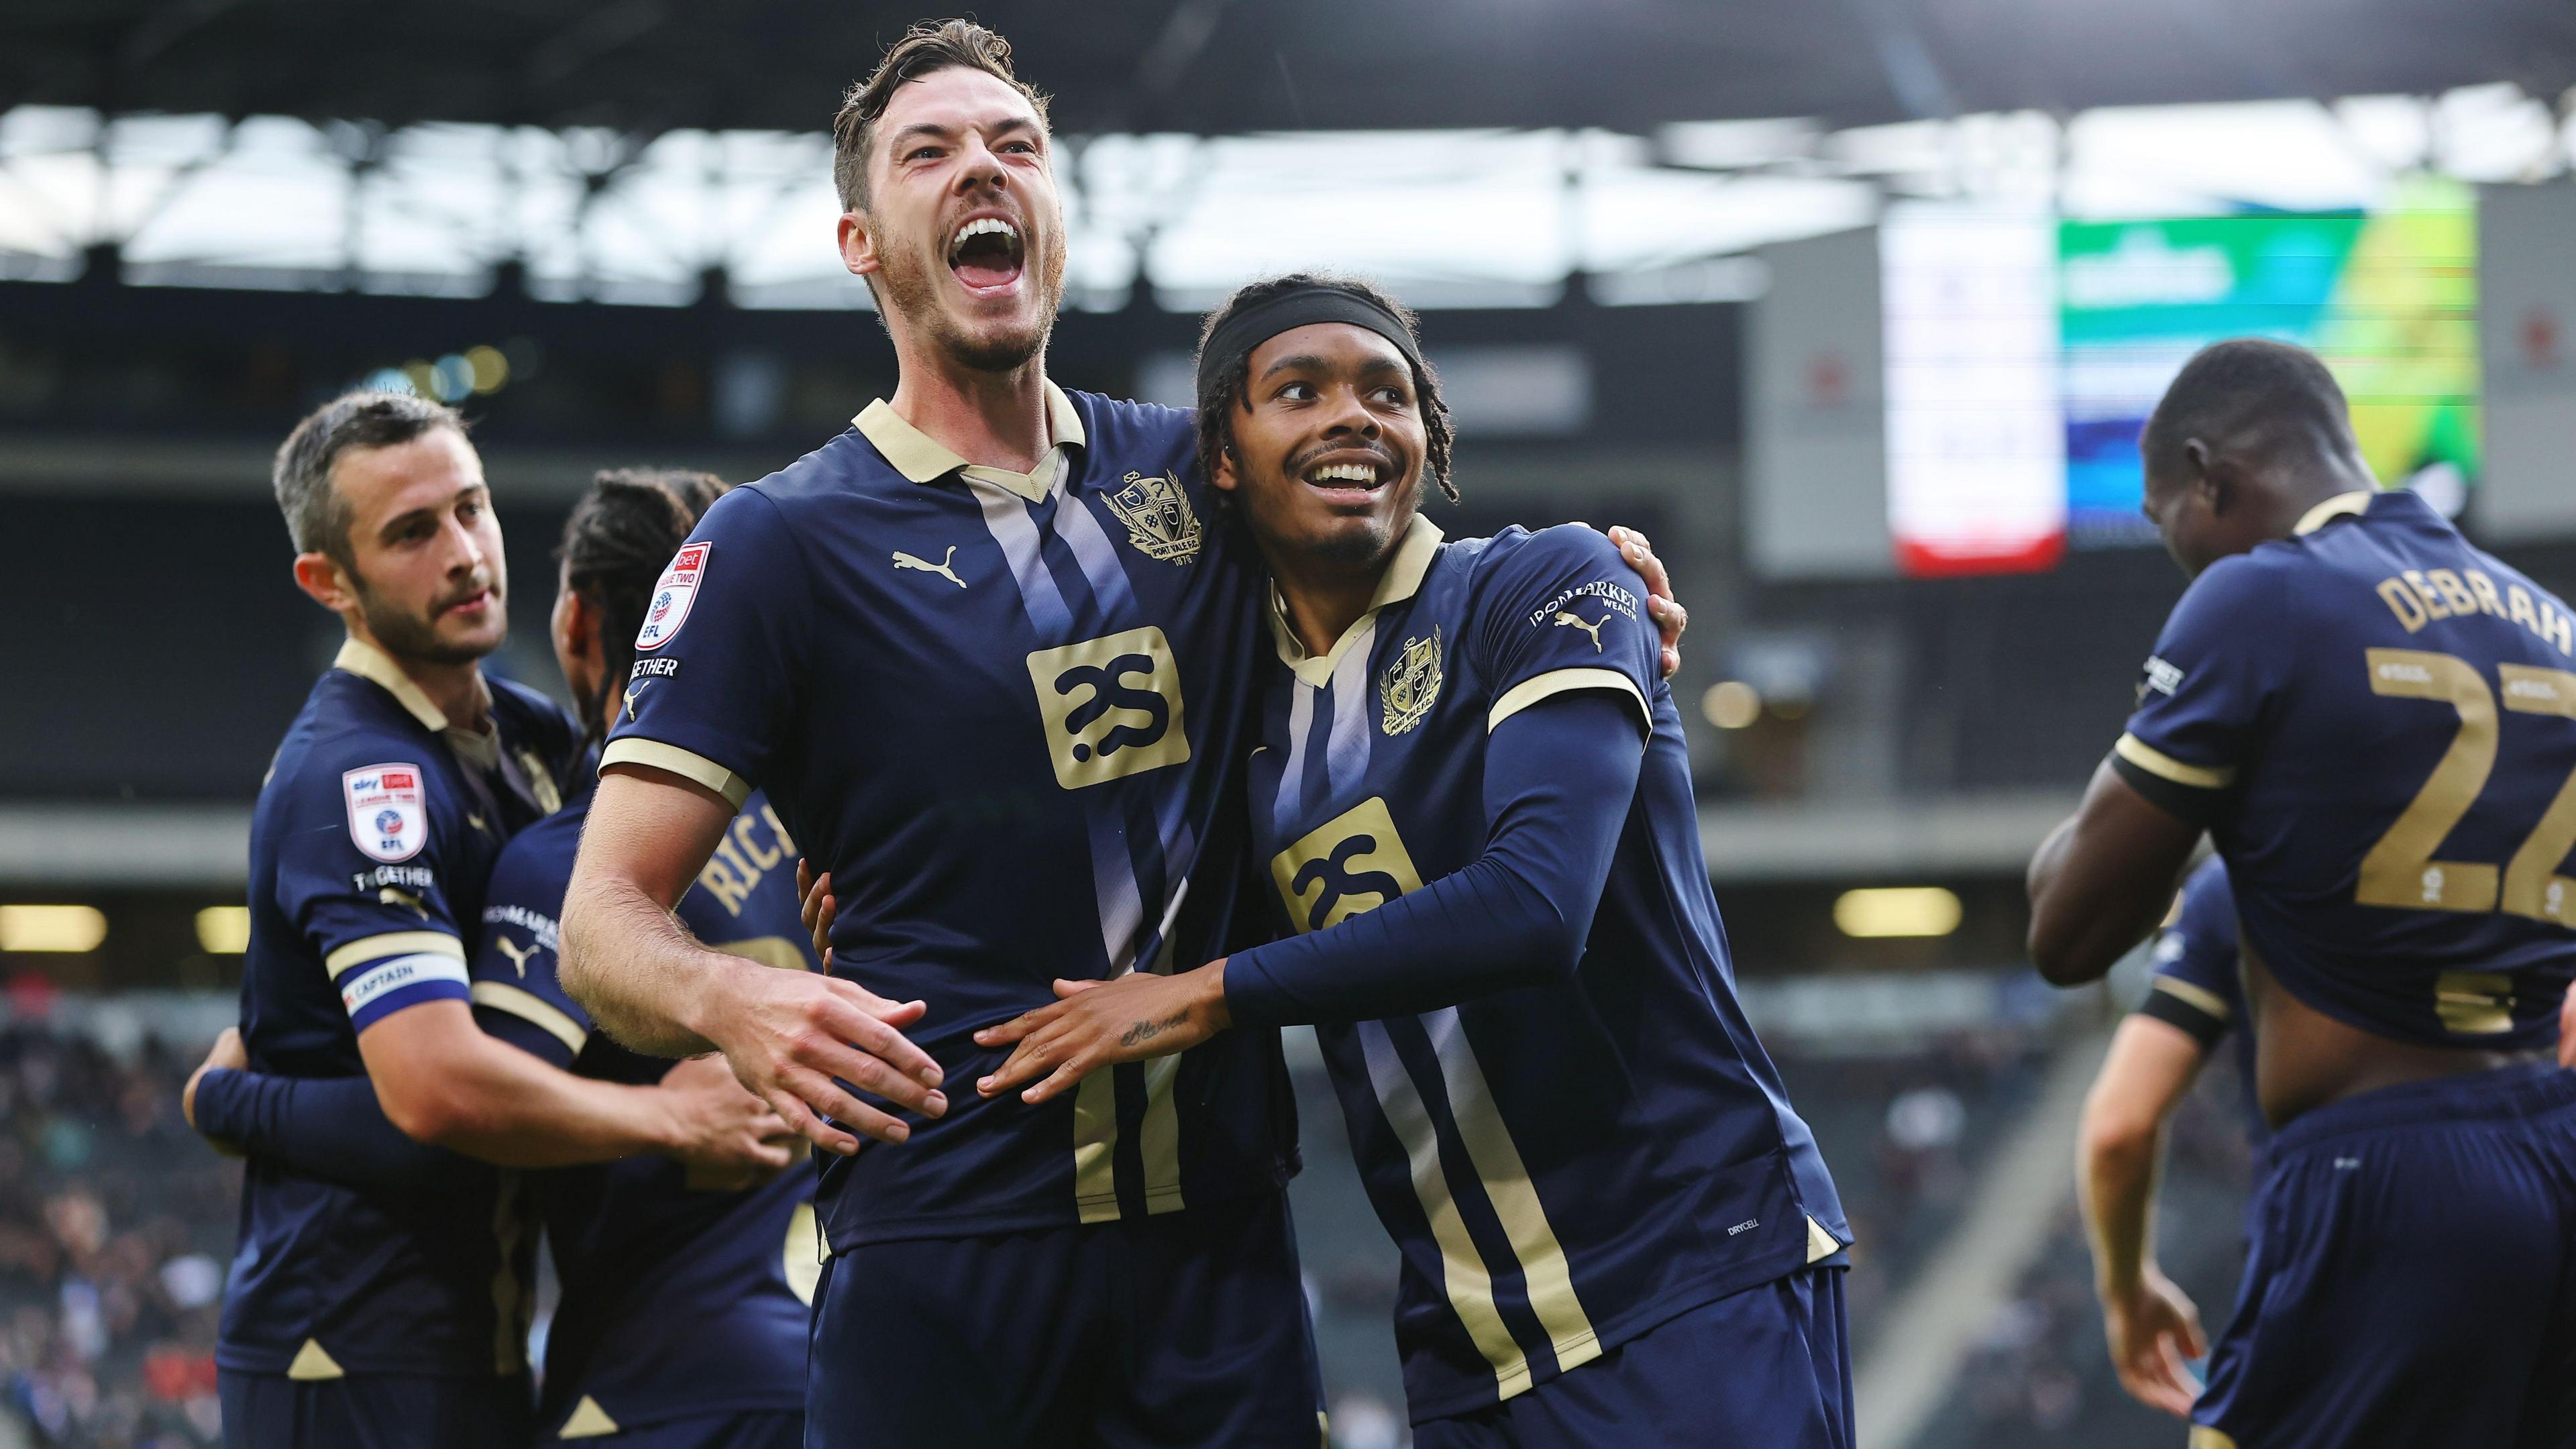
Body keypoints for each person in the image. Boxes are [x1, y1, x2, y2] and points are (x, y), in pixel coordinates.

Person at [556, 22, 1685, 1448]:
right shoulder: (779, 545)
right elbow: (602, 923)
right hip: (944, 1243)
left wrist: (1589, 572)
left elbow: (1412, 581)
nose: (985, 168)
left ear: (1054, 219)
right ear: (862, 239)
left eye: (1016, 146)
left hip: (1217, 1256)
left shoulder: (1202, 475)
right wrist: (734, 1002)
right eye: (933, 152)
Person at [970, 274, 1851, 1447]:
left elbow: (1539, 906)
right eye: (1299, 390)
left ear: (1428, 444)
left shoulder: (1548, 584)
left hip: (1691, 1280)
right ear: (1223, 458)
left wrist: (1214, 995)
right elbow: (1104, 879)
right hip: (1468, 1350)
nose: (1352, 415)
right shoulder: (1239, 717)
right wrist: (868, 894)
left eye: (1387, 393)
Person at [186, 394, 786, 1448]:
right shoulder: (360, 781)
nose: (464, 554)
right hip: (343, 1348)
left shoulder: (529, 737)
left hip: (481, 1342)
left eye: (473, 510)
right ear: (330, 582)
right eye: (413, 533)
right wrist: (670, 1118)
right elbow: (435, 1092)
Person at [2027, 337, 2576, 1449]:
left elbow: (2068, 930)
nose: (2175, 550)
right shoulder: (2551, 623)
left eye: (2162, 515)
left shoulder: (2260, 600)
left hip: (2386, 1176)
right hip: (2555, 1155)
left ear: (2209, 475)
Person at [468, 470, 822, 1448]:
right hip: (846, 1366)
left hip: (655, 1387)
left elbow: (481, 1104)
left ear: (578, 623)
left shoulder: (575, 864)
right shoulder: (832, 825)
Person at [2076, 855, 2264, 1418]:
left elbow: (2118, 1129)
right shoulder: (2526, 831)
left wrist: (2127, 1288)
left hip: (2335, 1228)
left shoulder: (2251, 876)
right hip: (2521, 1208)